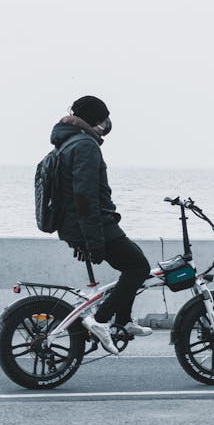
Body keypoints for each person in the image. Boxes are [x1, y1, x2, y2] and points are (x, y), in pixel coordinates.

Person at [51, 95, 152, 355]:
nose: (106, 125)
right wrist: (94, 241)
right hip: (92, 225)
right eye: (103, 119)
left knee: (130, 265)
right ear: (94, 119)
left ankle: (124, 321)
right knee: (138, 267)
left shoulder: (68, 142)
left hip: (78, 224)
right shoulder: (85, 145)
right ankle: (101, 319)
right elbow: (84, 197)